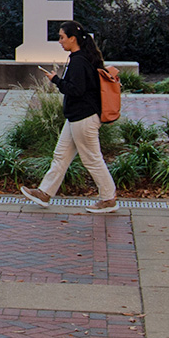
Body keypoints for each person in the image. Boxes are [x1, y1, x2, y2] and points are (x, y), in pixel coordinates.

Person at [20, 20, 117, 214]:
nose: (59, 41)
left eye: (62, 37)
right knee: (60, 156)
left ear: (73, 39)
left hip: (84, 118)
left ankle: (108, 199)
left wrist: (56, 80)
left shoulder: (79, 61)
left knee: (92, 159)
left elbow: (76, 90)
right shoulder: (82, 58)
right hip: (77, 118)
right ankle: (44, 192)